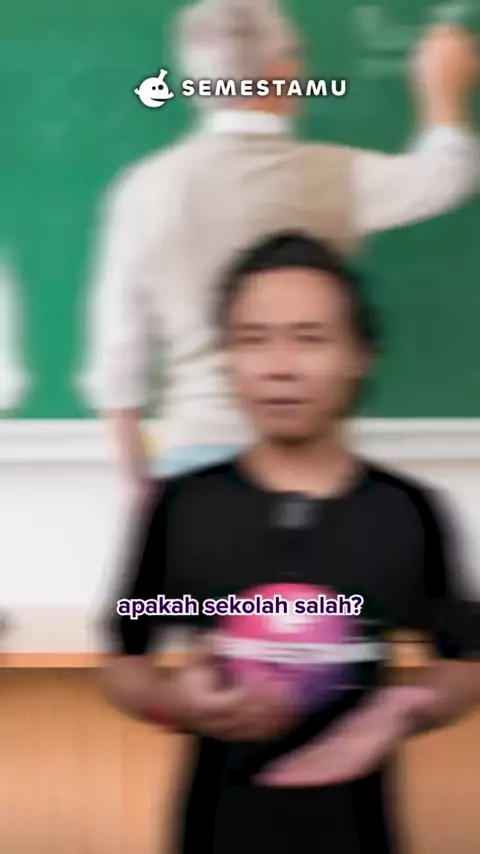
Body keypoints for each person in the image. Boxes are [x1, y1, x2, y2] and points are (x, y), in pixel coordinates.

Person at [103, 232, 480, 854]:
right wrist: (176, 702)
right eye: (253, 339)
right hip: (216, 831)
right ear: (228, 357)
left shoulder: (406, 513)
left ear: (360, 356)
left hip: (356, 834)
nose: (279, 367)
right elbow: (125, 657)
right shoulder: (182, 507)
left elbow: (465, 660)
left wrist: (401, 709)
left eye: (309, 338)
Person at [81, 0, 479, 499]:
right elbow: (444, 176)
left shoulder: (142, 191)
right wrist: (443, 92)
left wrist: (143, 490)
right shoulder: (334, 177)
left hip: (188, 465)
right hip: (302, 463)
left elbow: (117, 368)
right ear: (282, 74)